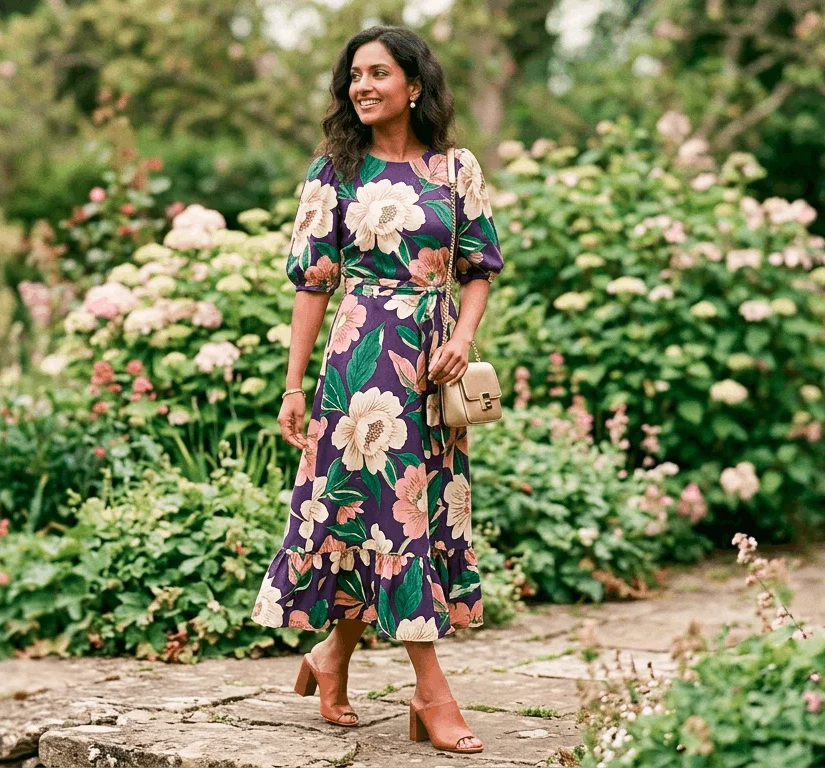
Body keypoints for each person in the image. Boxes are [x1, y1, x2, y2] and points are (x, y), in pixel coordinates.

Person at [249, 24, 504, 755]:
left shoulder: (455, 168)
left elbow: (479, 267)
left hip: (434, 365)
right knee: (391, 513)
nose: (363, 85)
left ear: (414, 85)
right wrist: (293, 388)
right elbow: (311, 286)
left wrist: (461, 339)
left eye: (379, 73)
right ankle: (432, 693)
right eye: (355, 75)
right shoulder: (335, 172)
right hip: (361, 366)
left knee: (392, 514)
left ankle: (331, 657)